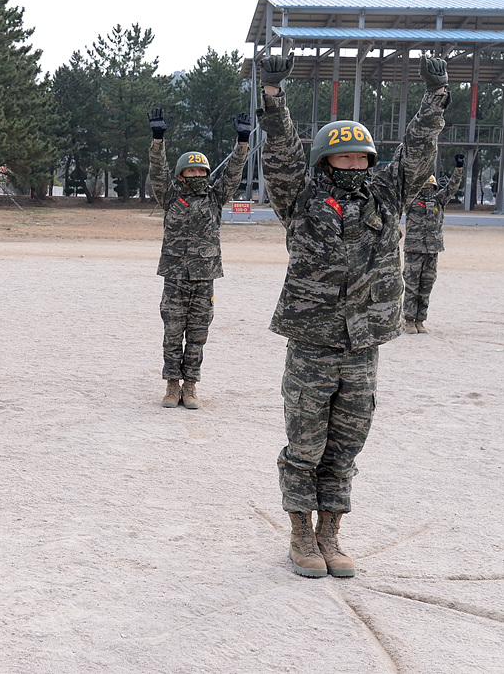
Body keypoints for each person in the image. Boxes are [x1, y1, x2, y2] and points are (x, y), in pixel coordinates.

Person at [258, 51, 449, 578]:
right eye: (344, 159)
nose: (355, 165)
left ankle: (330, 534)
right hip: (313, 341)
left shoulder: (388, 193)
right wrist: (274, 100)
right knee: (306, 440)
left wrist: (434, 99)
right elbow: (280, 154)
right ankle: (300, 533)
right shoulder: (299, 198)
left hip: (362, 343)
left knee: (347, 442)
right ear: (324, 161)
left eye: (362, 157)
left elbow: (416, 151)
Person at [147, 108, 250, 409]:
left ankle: (190, 386)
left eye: (201, 171)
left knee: (198, 333)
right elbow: (157, 171)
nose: (197, 175)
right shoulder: (169, 196)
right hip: (175, 276)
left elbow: (232, 172)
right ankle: (171, 385)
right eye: (191, 171)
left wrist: (242, 141)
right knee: (172, 331)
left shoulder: (215, 198)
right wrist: (157, 140)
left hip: (204, 277)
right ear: (181, 175)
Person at [403, 155, 464, 334]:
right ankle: (408, 320)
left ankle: (420, 321)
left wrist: (459, 169)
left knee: (426, 286)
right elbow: (404, 186)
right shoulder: (412, 202)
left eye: (430, 185)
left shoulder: (439, 201)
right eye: (424, 185)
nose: (427, 188)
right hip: (414, 250)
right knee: (412, 286)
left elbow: (452, 187)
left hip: (432, 251)